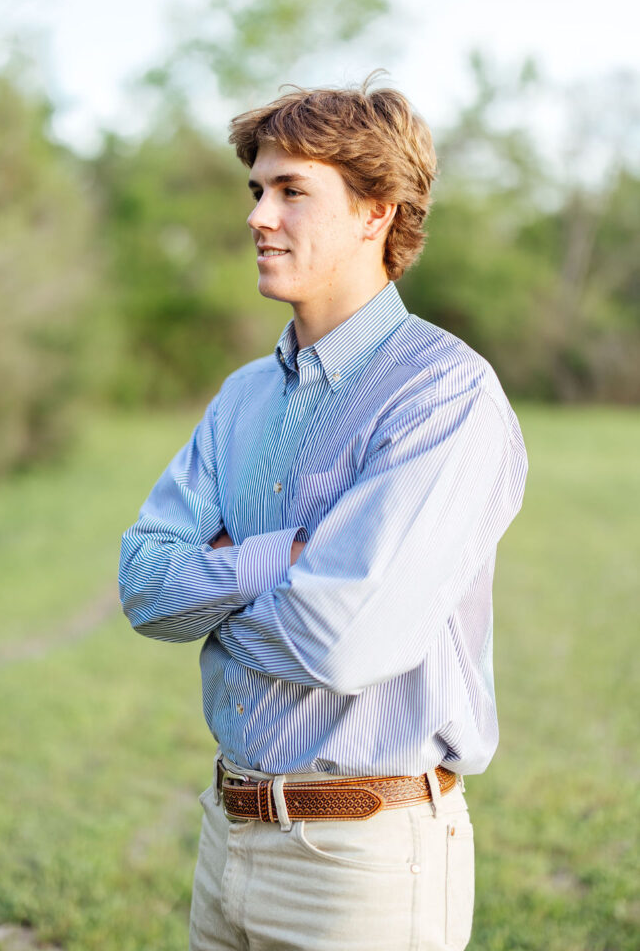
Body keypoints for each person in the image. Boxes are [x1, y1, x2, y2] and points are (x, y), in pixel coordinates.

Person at [118, 77, 528, 951]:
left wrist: (215, 598)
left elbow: (345, 641)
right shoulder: (240, 398)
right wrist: (275, 561)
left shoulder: (442, 396)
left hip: (363, 867)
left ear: (377, 212)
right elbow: (144, 586)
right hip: (226, 835)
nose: (259, 215)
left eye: (292, 190)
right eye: (257, 190)